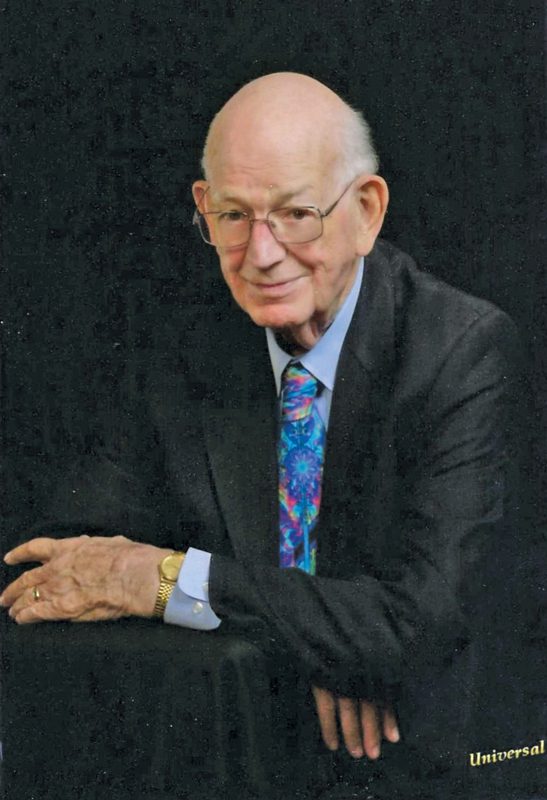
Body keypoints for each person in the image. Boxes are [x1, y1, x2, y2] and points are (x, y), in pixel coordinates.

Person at [0, 73, 523, 798]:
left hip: (427, 763)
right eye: (233, 215)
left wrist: (164, 580)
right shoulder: (185, 343)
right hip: (232, 747)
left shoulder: (456, 350)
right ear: (202, 209)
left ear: (366, 211)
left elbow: (417, 625)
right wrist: (321, 645)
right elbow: (67, 557)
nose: (260, 254)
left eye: (296, 214)